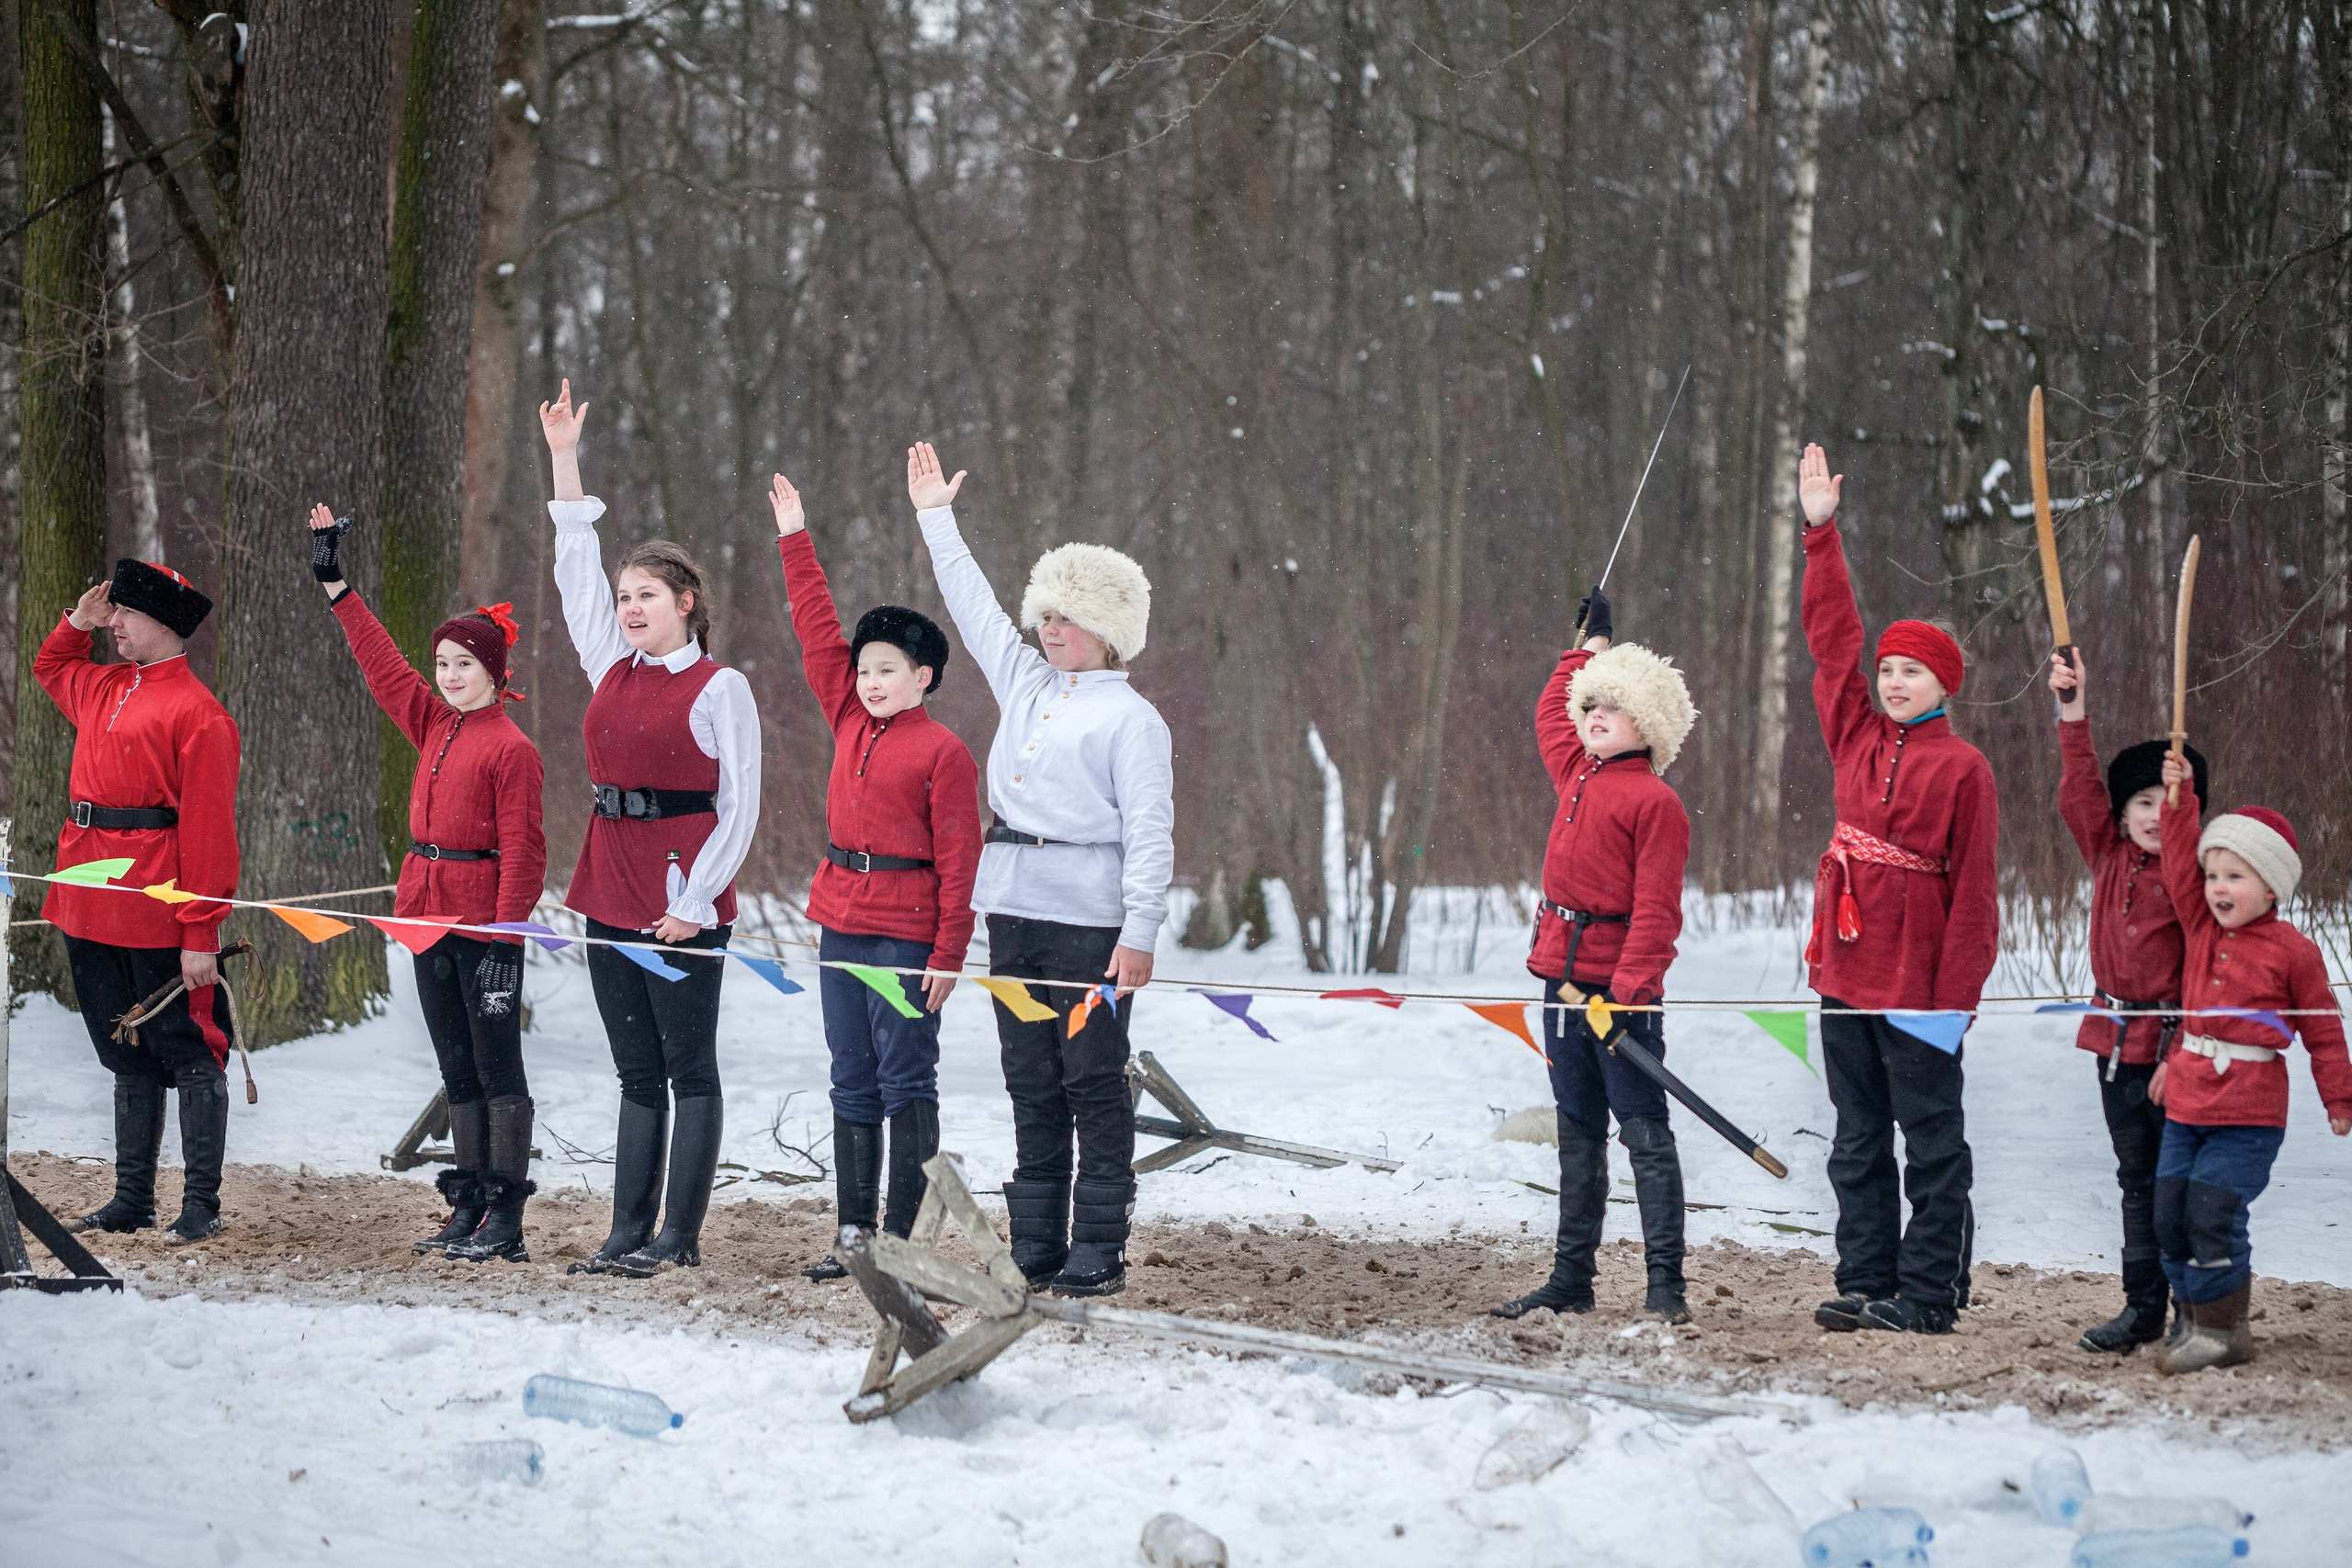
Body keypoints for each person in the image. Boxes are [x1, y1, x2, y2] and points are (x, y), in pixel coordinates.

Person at [910, 441, 1173, 1297]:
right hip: (1015, 911)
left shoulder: (1132, 720)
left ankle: (1099, 1244)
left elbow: (1151, 833)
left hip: (1093, 922)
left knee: (1092, 1079)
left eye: (1071, 616)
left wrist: (1139, 933)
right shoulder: (1024, 681)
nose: (1051, 628)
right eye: (1047, 613)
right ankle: (1037, 1243)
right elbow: (974, 605)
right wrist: (935, 520)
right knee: (1029, 1077)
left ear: (1111, 630)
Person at [541, 379, 762, 1277]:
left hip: (683, 892)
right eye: (625, 595)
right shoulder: (611, 668)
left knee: (687, 1067)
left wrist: (698, 900)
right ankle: (627, 1230)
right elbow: (571, 574)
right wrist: (563, 459)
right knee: (634, 1072)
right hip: (608, 881)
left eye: (647, 596)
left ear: (686, 604)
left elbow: (739, 802)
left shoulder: (720, 688)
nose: (629, 608)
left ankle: (678, 1235)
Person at [307, 504, 548, 1262]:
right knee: (454, 1066)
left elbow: (527, 852)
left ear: (494, 673)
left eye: (463, 666)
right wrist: (338, 587)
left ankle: (505, 1219)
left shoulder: (511, 748)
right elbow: (383, 666)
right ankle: (469, 1204)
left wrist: (508, 938)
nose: (448, 677)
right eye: (443, 664)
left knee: (494, 1064)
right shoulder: (434, 722)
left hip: (484, 925)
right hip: (426, 916)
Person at [1795, 443, 1999, 1337]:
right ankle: (1868, 1279)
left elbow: (1978, 899)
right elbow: (1833, 641)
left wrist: (1952, 1002)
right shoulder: (1854, 735)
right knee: (1854, 1140)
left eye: (1909, 671)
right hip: (1845, 970)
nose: (1890, 680)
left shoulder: (1965, 769)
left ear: (1941, 684)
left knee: (1933, 1148)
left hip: (1918, 986)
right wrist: (1819, 537)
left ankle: (1928, 1293)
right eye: (1887, 671)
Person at [767, 471, 980, 1280]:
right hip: (842, 918)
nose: (869, 680)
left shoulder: (944, 752)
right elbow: (816, 630)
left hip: (906, 932)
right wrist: (795, 535)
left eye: (886, 669)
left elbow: (962, 859)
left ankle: (903, 1242)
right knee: (848, 1073)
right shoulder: (848, 715)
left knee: (903, 1076)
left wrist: (949, 950)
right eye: (864, 670)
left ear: (922, 676)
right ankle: (854, 1237)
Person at [1492, 585, 1697, 1325]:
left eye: (1612, 706)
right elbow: (1553, 709)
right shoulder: (1575, 771)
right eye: (1593, 704)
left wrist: (1630, 993)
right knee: (1577, 1129)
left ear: (1649, 723)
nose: (1594, 714)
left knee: (1643, 1130)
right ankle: (1571, 1278)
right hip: (1560, 982)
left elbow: (1657, 912)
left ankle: (1665, 1286)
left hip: (1619, 995)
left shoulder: (1655, 802)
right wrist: (1588, 651)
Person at [41, 561, 241, 1245]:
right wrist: (79, 621)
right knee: (121, 1041)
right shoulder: (101, 684)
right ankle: (133, 1196)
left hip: (159, 902)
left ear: (165, 621)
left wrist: (200, 929)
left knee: (187, 1046)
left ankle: (201, 1202)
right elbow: (50, 664)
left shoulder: (200, 713)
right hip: (87, 894)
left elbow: (210, 834)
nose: (114, 622)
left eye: (124, 612)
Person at [2147, 754, 2351, 1373]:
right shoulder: (2202, 927)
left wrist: (2339, 1097)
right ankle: (2190, 1313)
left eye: (2234, 875)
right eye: (2213, 875)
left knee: (2213, 1210)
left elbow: (2323, 1031)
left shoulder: (2296, 952)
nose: (2216, 888)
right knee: (2170, 1210)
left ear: (2271, 886)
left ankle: (2223, 1328)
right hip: (2188, 1101)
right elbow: (2179, 863)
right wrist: (2178, 804)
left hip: (2248, 1112)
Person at [2047, 650, 2207, 1353]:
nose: (2151, 815)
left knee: (2180, 1182)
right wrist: (2072, 709)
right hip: (2114, 1041)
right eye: (2140, 802)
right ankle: (2142, 1307)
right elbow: (2080, 787)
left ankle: (2194, 1312)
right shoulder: (2108, 855)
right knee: (2136, 1180)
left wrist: (2184, 801)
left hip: (2179, 1047)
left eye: (2163, 803)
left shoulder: (2195, 872)